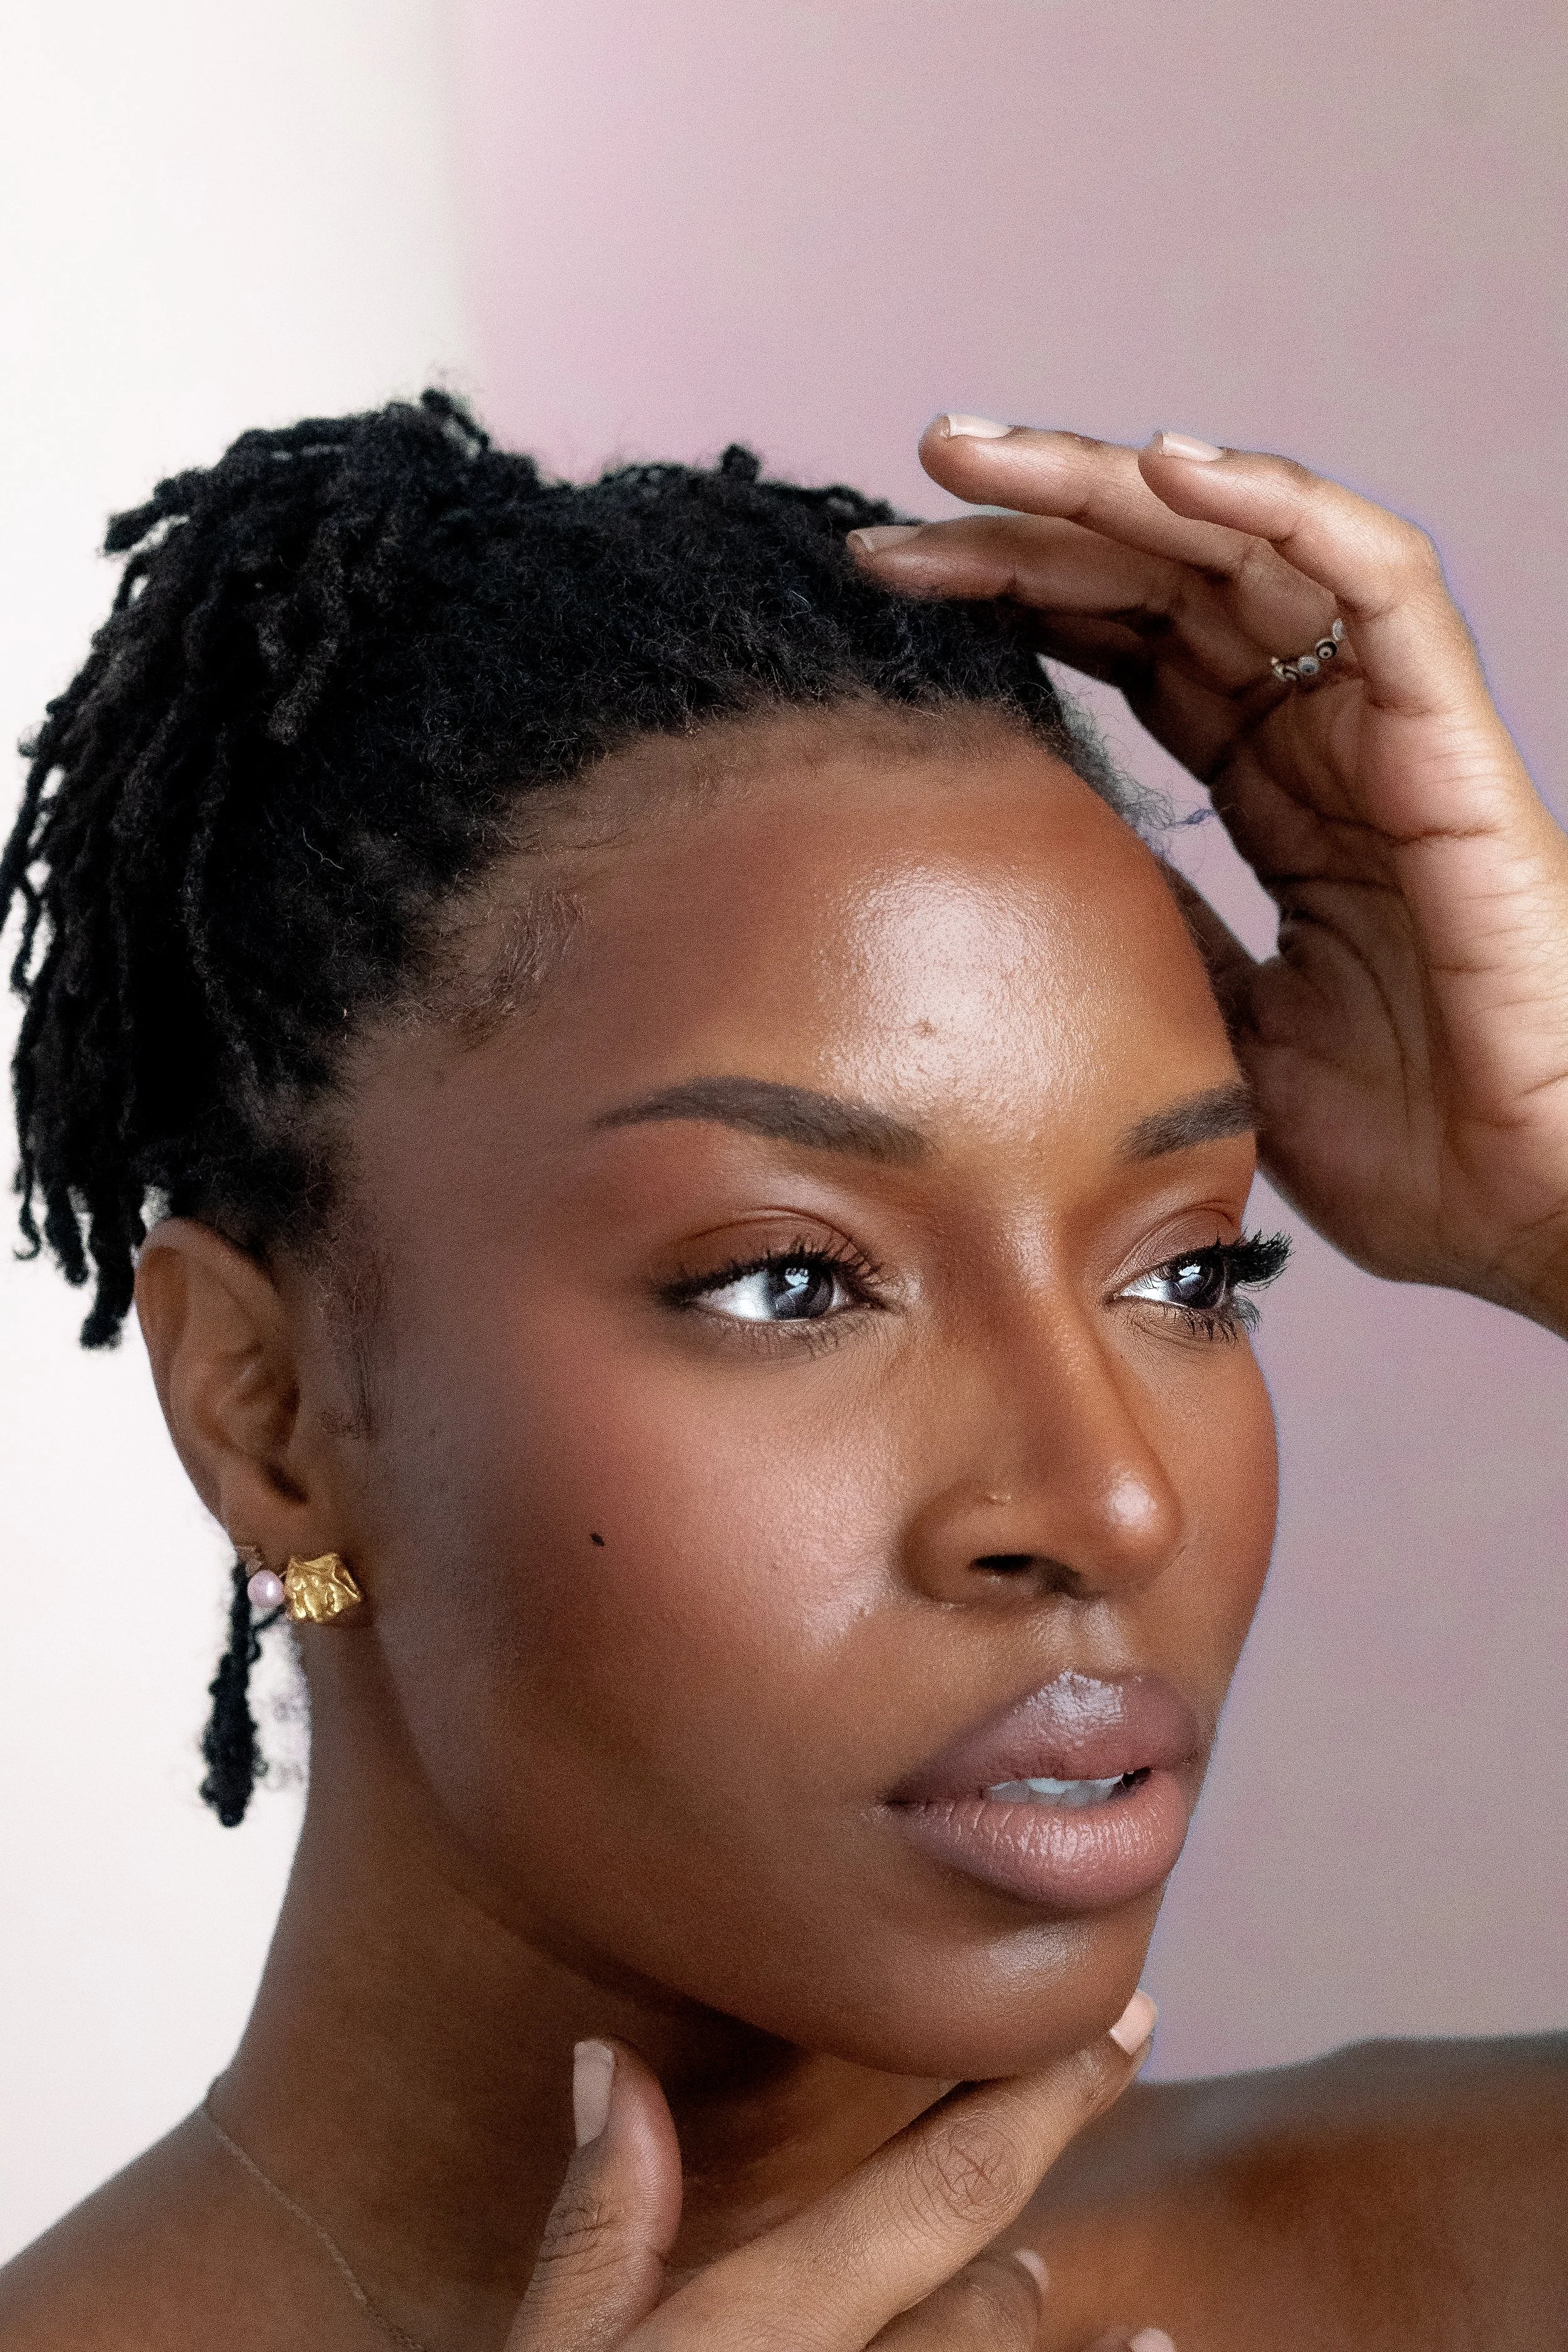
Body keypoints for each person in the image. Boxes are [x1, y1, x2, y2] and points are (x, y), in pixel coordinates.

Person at [0, 398, 1561, 2351]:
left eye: (1191, 1267)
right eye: (790, 1284)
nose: (1104, 1501)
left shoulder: (1460, 2267)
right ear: (266, 1412)